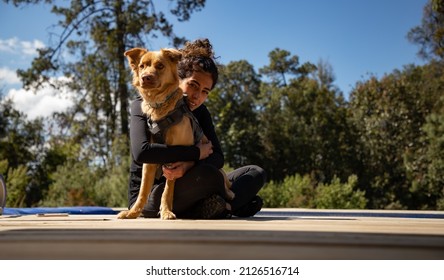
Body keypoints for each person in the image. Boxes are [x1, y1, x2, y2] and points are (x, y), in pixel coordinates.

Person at [127, 38, 266, 219]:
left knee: (255, 173)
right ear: (176, 76)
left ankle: (219, 207)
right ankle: (229, 207)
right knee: (208, 177)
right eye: (193, 85)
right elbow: (142, 153)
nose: (196, 97)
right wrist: (194, 153)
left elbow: (217, 158)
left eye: (205, 92)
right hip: (151, 196)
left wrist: (187, 166)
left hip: (191, 181)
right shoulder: (142, 105)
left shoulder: (200, 112)